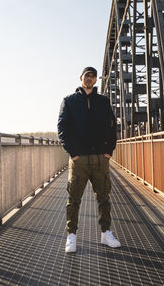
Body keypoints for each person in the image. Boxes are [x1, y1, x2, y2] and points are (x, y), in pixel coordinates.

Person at [58, 66, 121, 253]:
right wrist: (72, 152)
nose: (90, 79)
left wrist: (108, 151)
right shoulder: (69, 101)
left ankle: (106, 233)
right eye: (87, 76)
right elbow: (62, 128)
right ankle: (71, 236)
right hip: (79, 160)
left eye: (93, 76)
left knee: (104, 198)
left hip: (101, 158)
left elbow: (112, 126)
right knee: (74, 199)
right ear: (81, 78)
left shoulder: (103, 101)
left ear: (95, 80)